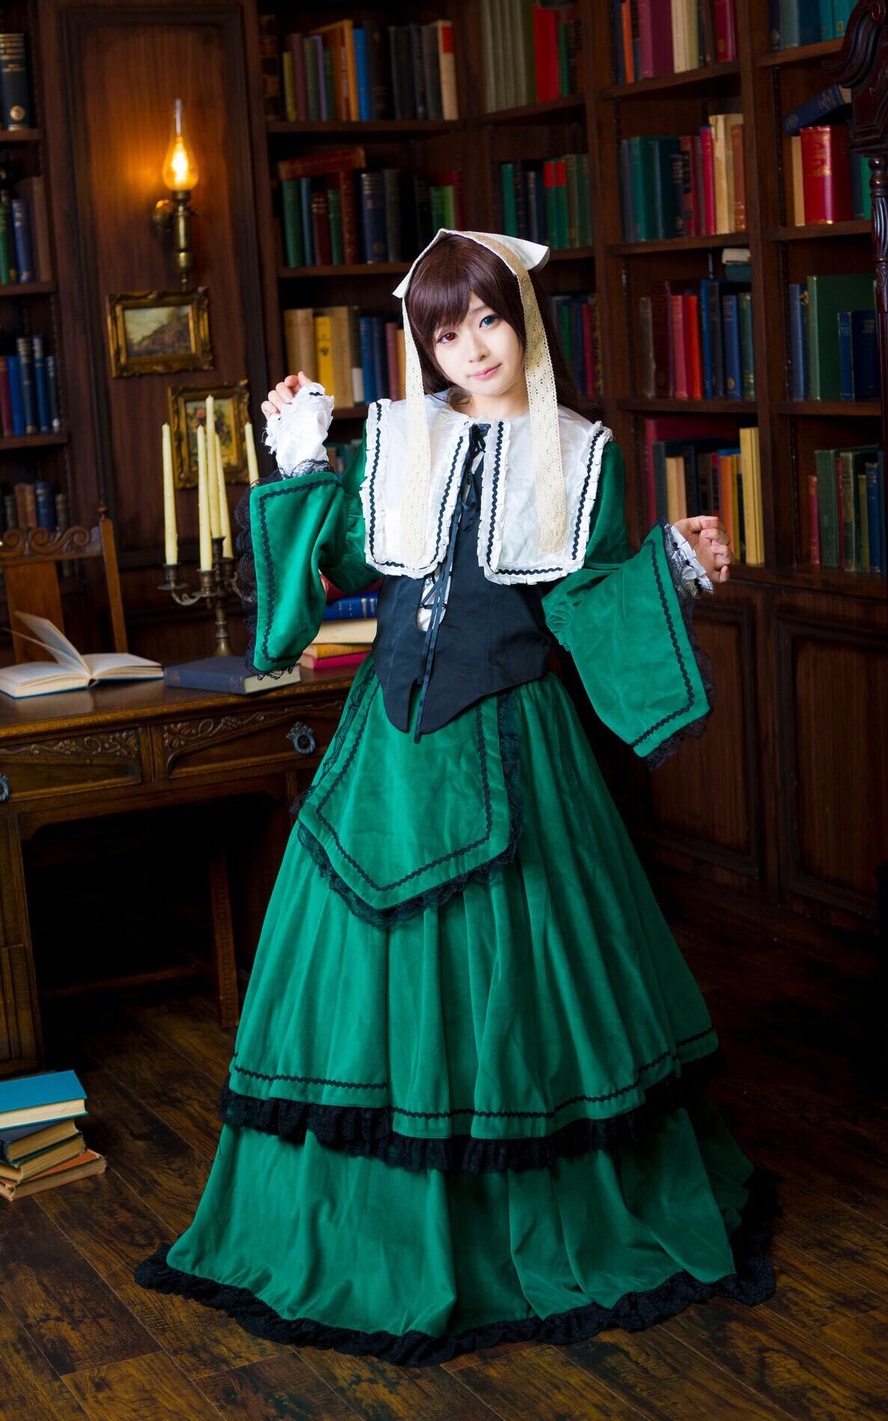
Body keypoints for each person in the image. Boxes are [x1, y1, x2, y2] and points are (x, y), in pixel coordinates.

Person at [136, 229, 774, 1365]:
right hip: (383, 747)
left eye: (486, 318)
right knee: (354, 992)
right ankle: (352, 1230)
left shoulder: (581, 453)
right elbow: (329, 568)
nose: (471, 347)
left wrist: (668, 565)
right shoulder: (399, 437)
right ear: (424, 344)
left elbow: (582, 606)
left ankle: (525, 1229)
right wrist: (300, 465)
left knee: (519, 991)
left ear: (520, 315)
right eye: (445, 330)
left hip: (513, 745)